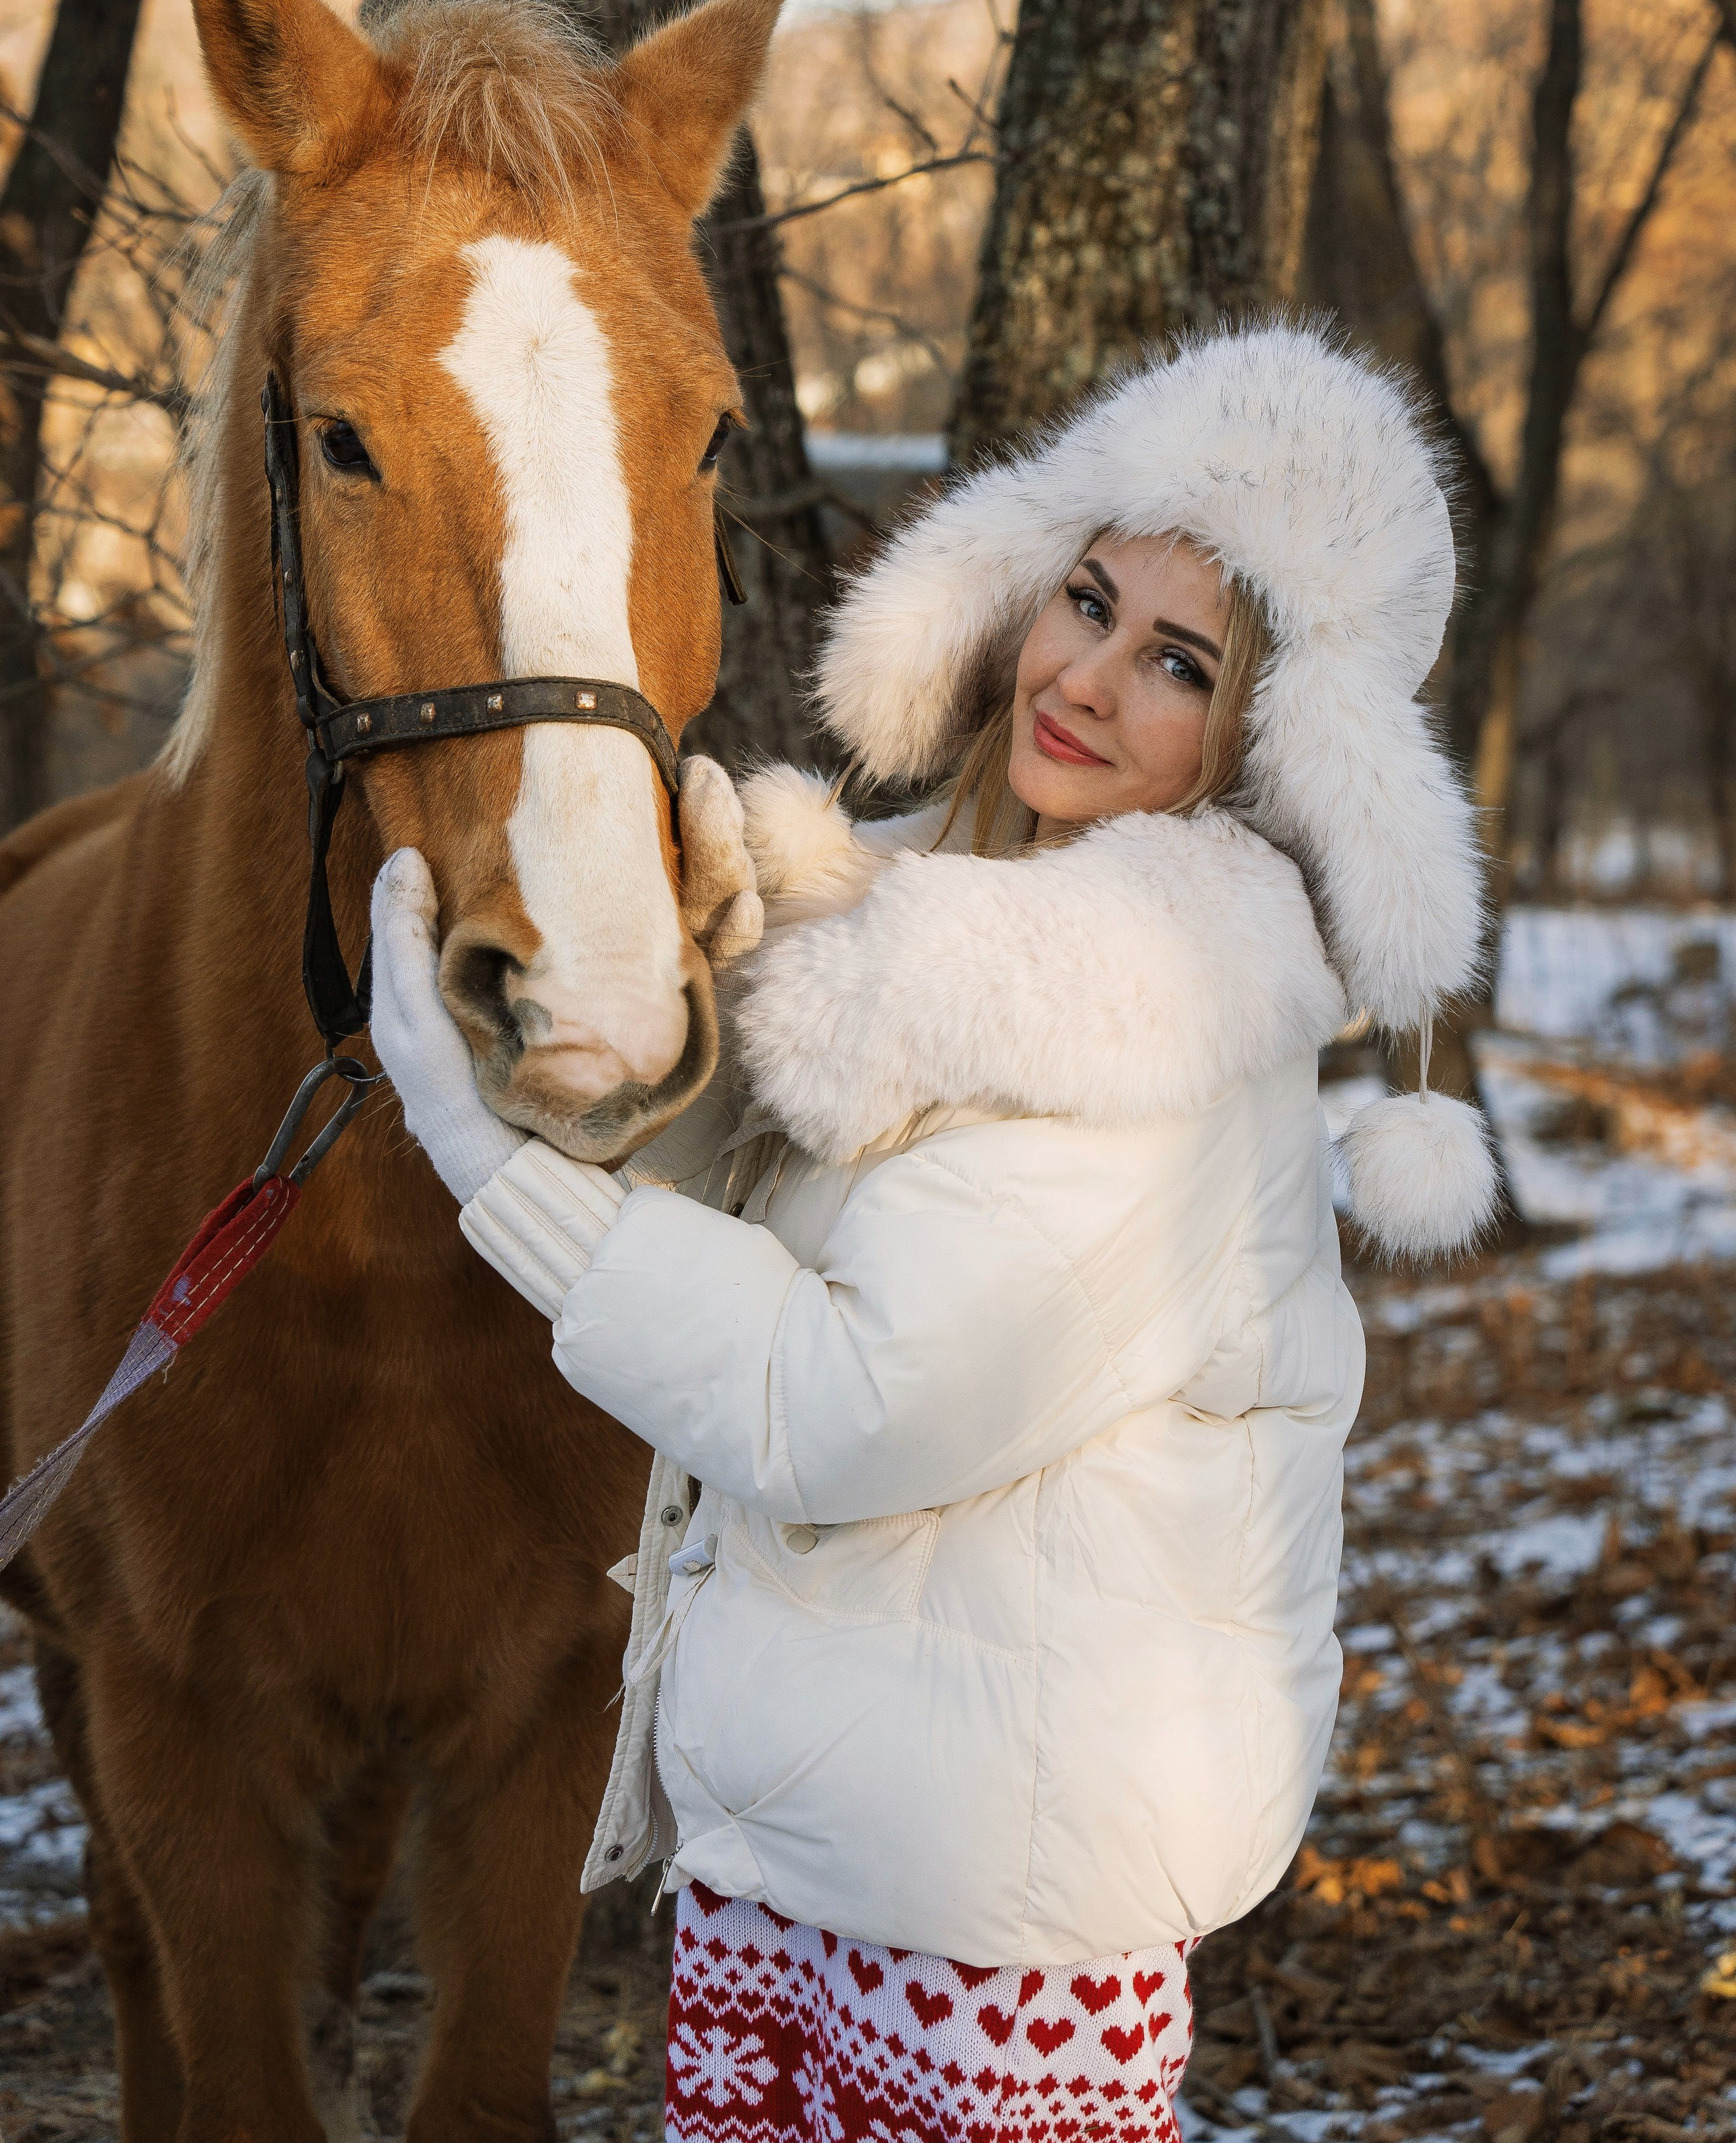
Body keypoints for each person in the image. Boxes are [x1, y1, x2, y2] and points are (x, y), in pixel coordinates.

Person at [370, 322, 1496, 2143]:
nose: (1089, 675)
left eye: (1180, 662)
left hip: (995, 1926)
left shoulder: (1158, 1026)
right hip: (808, 1856)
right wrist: (599, 1057)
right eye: (1087, 598)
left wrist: (484, 1165)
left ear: (1266, 738)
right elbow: (755, 1219)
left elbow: (834, 1403)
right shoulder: (929, 923)